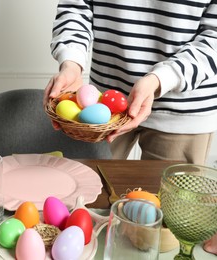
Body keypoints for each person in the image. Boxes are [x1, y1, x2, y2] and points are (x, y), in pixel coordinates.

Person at [44, 0, 217, 254]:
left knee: (160, 238)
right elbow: (77, 6)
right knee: (76, 210)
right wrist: (71, 62)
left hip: (183, 109)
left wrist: (161, 79)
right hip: (102, 107)